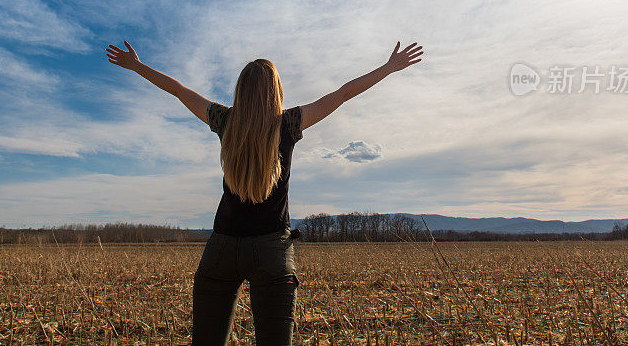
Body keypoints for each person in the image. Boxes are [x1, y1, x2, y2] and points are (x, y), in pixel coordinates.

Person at [105, 40, 424, 346]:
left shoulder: (224, 120)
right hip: (272, 250)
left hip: (222, 248)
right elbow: (341, 95)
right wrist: (387, 68)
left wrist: (137, 66)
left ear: (241, 92)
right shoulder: (288, 124)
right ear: (276, 92)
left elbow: (178, 91)